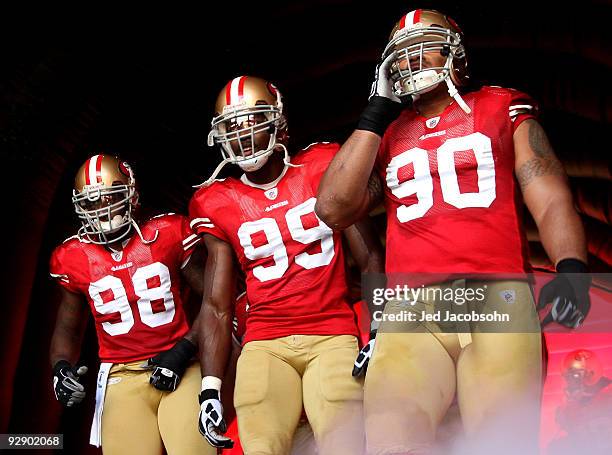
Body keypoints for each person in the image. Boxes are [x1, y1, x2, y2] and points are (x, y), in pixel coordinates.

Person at [315, 9, 591, 454]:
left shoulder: (502, 105)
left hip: (494, 297)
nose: (413, 61)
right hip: (411, 307)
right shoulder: (383, 137)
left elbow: (548, 190)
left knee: (498, 444)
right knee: (391, 442)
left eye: (424, 47)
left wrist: (571, 266)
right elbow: (332, 209)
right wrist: (374, 115)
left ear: (456, 53)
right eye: (401, 56)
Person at [189, 75, 384, 454]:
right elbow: (216, 303)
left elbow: (370, 254)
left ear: (278, 122)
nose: (242, 136)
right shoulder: (215, 200)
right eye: (231, 127)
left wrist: (379, 330)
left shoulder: (323, 164)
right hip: (264, 342)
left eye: (251, 121)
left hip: (331, 333)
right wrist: (210, 387)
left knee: (344, 445)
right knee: (262, 447)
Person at [49, 154, 214, 455]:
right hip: (120, 375)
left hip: (181, 366)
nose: (102, 209)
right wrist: (60, 367)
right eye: (91, 203)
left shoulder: (166, 234)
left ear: (131, 195)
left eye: (109, 198)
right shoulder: (72, 257)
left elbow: (215, 298)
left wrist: (186, 348)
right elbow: (67, 329)